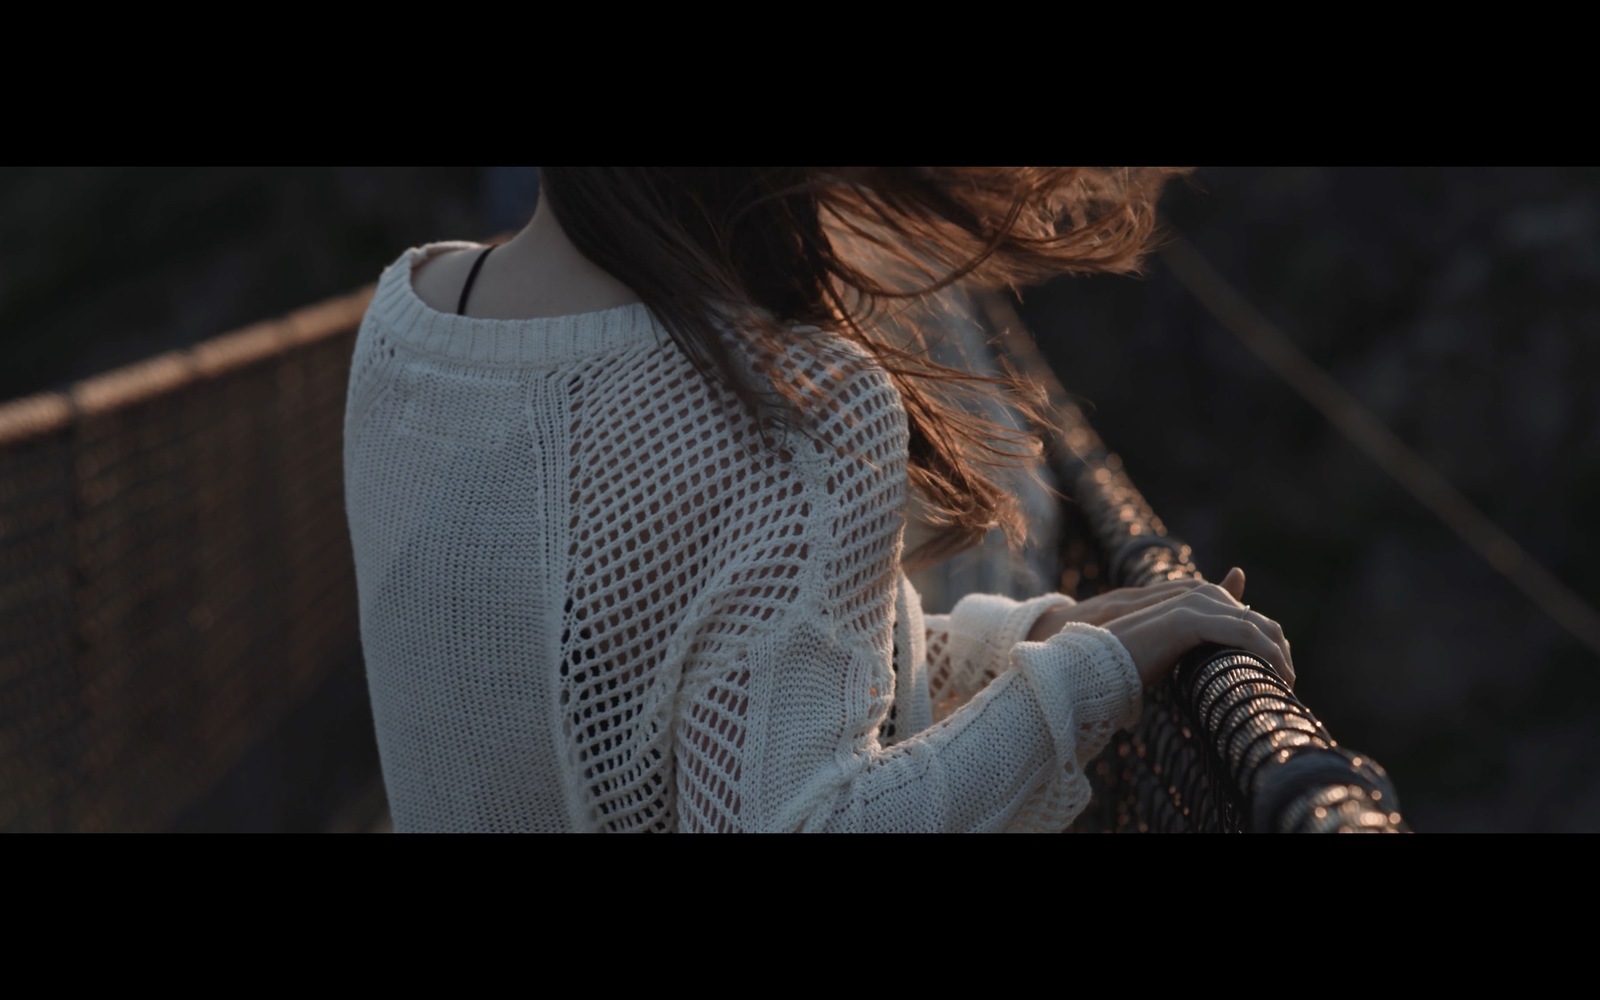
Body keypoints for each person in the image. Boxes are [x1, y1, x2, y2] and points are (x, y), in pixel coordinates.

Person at [342, 167, 1294, 833]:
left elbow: (667, 681)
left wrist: (1012, 650)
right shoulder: (797, 402)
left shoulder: (408, 321)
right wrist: (1090, 678)